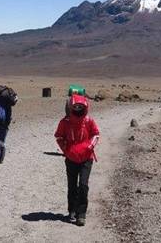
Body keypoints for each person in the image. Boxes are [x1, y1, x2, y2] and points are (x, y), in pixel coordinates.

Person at [54, 94, 100, 226]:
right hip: (71, 159)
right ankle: (72, 211)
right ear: (71, 107)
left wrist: (90, 146)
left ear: (85, 107)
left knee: (83, 186)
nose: (78, 109)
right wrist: (66, 150)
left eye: (80, 107)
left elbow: (96, 134)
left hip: (86, 158)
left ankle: (82, 213)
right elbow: (59, 136)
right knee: (72, 186)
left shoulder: (89, 121)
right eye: (76, 107)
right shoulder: (65, 122)